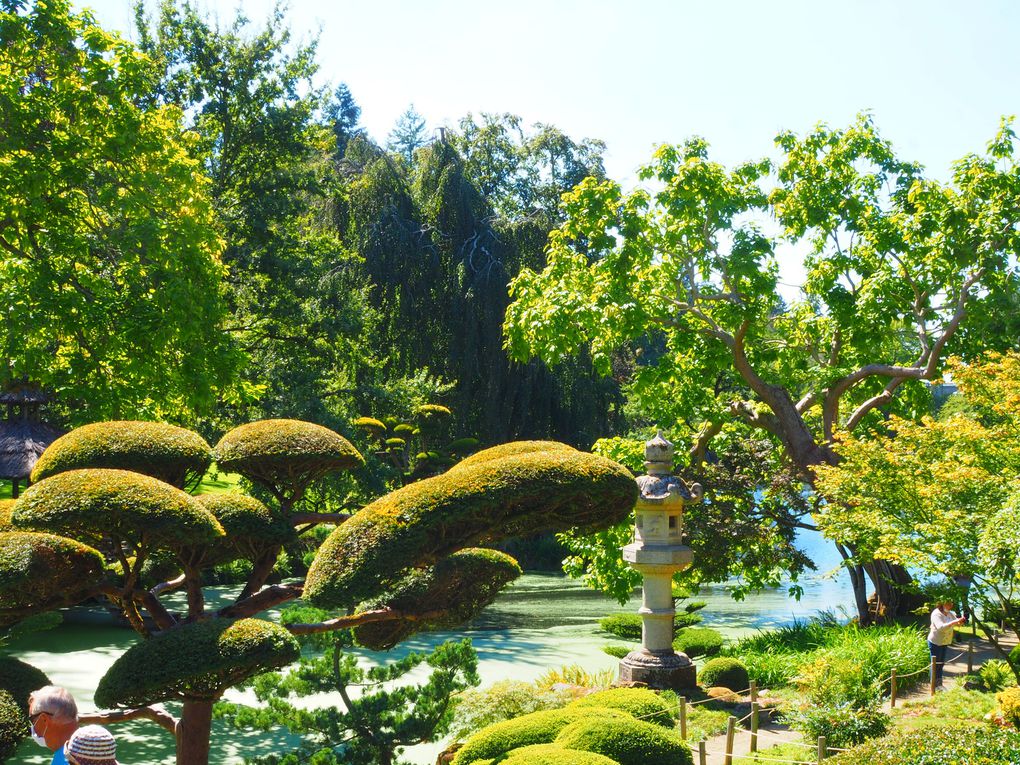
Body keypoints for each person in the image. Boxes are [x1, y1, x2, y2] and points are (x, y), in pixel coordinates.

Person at [27, 686, 79, 765]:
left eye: (32, 719)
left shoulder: (64, 760)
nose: (32, 726)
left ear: (44, 719)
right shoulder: (94, 747)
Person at [928, 600, 966, 688]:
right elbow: (941, 627)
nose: (950, 606)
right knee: (935, 663)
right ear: (942, 603)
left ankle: (939, 684)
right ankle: (933, 685)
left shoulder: (950, 613)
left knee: (941, 663)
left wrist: (960, 621)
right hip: (935, 642)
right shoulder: (936, 614)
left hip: (945, 641)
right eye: (948, 604)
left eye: (951, 604)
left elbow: (956, 622)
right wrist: (954, 622)